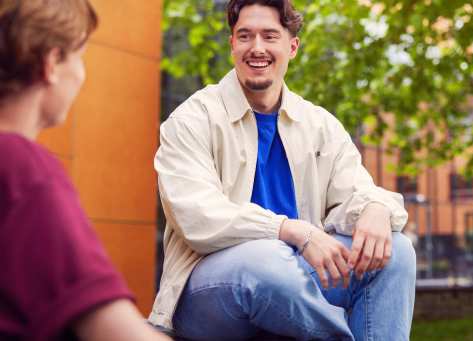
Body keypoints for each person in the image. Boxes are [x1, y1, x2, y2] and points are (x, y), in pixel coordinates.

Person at [150, 0, 416, 340]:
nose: (256, 48)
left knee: (397, 252)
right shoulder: (191, 121)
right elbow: (198, 218)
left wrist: (376, 207)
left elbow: (356, 192)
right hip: (209, 293)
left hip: (296, 278)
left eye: (269, 36)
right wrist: (292, 231)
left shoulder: (320, 125)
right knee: (267, 259)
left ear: (292, 47)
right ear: (232, 44)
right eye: (245, 36)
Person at [0, 1, 170, 340]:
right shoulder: (23, 167)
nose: (81, 73)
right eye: (80, 55)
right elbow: (114, 331)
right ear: (51, 63)